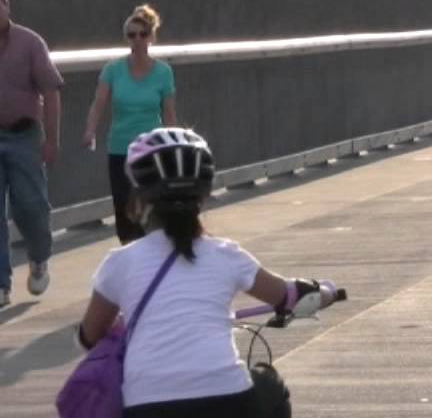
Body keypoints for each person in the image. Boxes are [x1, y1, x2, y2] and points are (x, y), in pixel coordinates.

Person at [74, 128, 341, 416]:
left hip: (146, 406)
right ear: (204, 197)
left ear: (139, 199)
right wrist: (323, 292)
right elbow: (288, 296)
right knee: (268, 384)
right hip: (227, 402)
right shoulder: (226, 255)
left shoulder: (119, 263)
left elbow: (89, 337)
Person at [84, 5, 178, 245]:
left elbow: (168, 113)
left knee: (151, 205)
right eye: (131, 35)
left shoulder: (163, 72)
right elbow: (99, 103)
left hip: (151, 150)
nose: (137, 40)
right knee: (124, 206)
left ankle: (153, 251)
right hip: (120, 148)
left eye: (142, 34)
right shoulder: (113, 70)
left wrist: (174, 144)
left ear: (151, 37)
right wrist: (90, 130)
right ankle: (129, 252)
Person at [0, 0, 62, 308]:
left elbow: (51, 92)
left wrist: (51, 140)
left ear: (8, 8)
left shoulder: (30, 42)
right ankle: (1, 283)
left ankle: (39, 257)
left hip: (24, 135)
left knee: (31, 206)